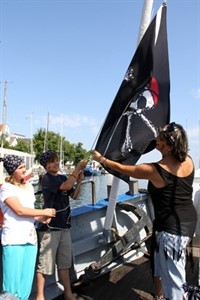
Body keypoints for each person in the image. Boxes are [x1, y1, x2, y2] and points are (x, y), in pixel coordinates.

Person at [92, 122, 197, 300]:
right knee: (165, 266)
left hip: (171, 232)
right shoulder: (188, 160)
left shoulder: (153, 170)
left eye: (160, 139)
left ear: (169, 146)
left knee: (175, 282)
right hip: (187, 224)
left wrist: (102, 159)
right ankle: (159, 295)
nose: (156, 140)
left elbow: (123, 169)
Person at [0, 155, 56, 300]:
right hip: (13, 240)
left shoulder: (29, 186)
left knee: (25, 283)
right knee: (11, 287)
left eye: (24, 166)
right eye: (20, 168)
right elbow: (19, 210)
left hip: (30, 239)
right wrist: (43, 211)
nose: (24, 169)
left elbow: (30, 211)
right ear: (12, 171)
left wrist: (42, 218)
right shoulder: (6, 188)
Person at [36, 150, 87, 300]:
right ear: (46, 165)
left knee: (64, 263)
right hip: (50, 229)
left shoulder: (62, 177)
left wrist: (79, 181)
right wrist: (76, 170)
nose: (56, 163)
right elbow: (64, 187)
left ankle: (68, 293)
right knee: (44, 265)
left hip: (64, 226)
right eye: (52, 161)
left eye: (57, 160)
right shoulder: (47, 179)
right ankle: (40, 296)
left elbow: (74, 195)